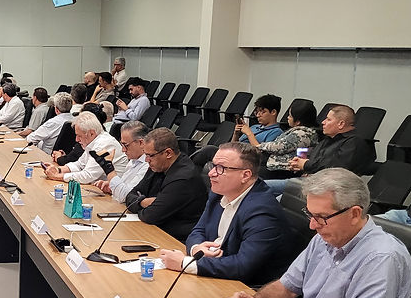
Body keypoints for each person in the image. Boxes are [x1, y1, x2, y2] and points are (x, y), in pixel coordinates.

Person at [224, 168, 411, 298]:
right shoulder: (326, 237)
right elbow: (286, 288)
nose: (312, 225)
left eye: (321, 217)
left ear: (355, 214)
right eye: (310, 215)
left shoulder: (381, 258)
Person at [159, 142, 289, 286]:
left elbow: (243, 266)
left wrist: (185, 263)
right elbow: (198, 229)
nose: (211, 173)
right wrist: (197, 248)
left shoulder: (263, 212)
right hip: (213, 271)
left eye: (221, 168)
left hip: (243, 288)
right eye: (213, 165)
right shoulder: (219, 194)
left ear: (245, 175)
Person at [265, 104, 376, 195]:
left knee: (263, 187)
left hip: (327, 188)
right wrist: (299, 162)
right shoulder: (328, 139)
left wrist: (306, 165)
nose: (323, 122)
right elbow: (311, 156)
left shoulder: (354, 143)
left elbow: (337, 169)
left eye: (328, 119)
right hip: (310, 181)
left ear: (341, 124)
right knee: (265, 191)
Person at [125, 127, 207, 241]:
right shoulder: (158, 165)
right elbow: (130, 195)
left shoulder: (183, 178)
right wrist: (143, 202)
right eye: (146, 155)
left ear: (168, 153)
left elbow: (150, 216)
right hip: (156, 231)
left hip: (176, 240)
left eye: (150, 155)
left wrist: (139, 203)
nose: (146, 160)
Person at [43, 111, 127, 185]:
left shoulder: (105, 144)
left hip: (111, 195)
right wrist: (58, 169)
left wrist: (57, 176)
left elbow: (87, 176)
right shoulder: (93, 141)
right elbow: (79, 165)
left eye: (79, 136)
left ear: (91, 133)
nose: (76, 139)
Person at [253, 101, 319, 179]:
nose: (287, 117)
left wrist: (259, 146)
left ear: (298, 122)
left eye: (290, 116)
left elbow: (279, 147)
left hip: (284, 170)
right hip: (275, 164)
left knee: (251, 172)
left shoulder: (302, 134)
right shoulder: (298, 131)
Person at [96, 121, 150, 203]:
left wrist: (109, 169)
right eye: (122, 145)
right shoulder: (133, 160)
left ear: (141, 143)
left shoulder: (148, 165)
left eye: (126, 145)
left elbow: (127, 196)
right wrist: (112, 187)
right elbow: (125, 187)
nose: (123, 150)